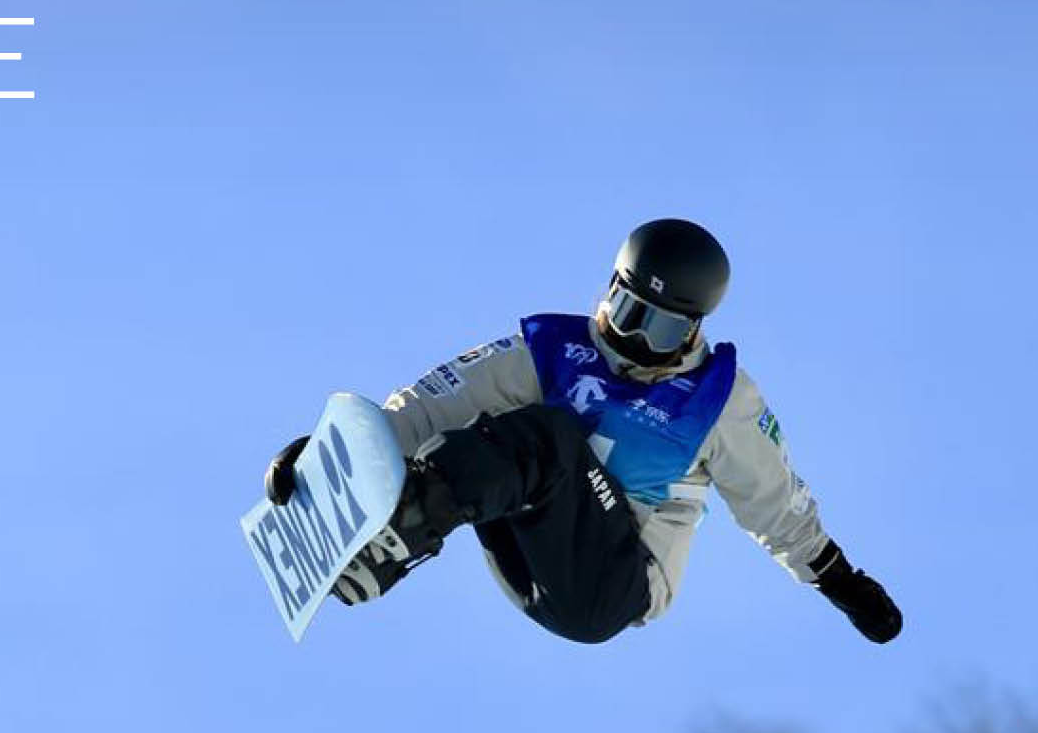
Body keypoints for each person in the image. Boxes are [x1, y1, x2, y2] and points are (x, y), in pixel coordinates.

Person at [262, 219, 903, 647]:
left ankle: (401, 530)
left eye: (660, 329)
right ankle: (384, 535)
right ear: (609, 292)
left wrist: (843, 584)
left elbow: (776, 505)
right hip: (530, 553)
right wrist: (336, 455)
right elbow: (435, 405)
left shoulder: (718, 401)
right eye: (627, 313)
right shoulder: (551, 352)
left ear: (692, 330)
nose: (634, 340)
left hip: (611, 583)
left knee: (550, 436)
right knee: (498, 430)